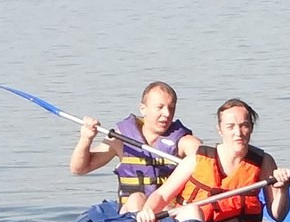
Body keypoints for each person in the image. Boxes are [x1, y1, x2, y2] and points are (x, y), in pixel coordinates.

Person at [140, 99, 290, 222]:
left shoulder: (264, 162)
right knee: (192, 210)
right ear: (220, 130)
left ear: (251, 128)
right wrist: (147, 211)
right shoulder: (197, 159)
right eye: (230, 127)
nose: (238, 133)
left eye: (244, 125)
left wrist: (284, 189)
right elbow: (161, 195)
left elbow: (278, 215)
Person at [72, 81, 199, 213]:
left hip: (165, 213)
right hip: (130, 212)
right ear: (143, 109)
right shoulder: (120, 138)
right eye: (160, 107)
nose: (167, 113)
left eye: (171, 107)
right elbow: (79, 169)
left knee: (168, 207)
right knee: (136, 199)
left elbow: (203, 155)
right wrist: (86, 139)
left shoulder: (182, 141)